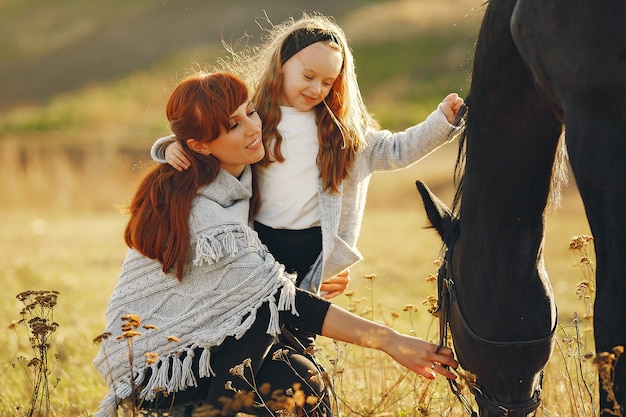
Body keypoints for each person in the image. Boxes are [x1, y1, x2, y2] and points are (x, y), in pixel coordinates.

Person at [94, 71, 458, 417]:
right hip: (162, 374)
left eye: (250, 112)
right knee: (275, 344)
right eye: (234, 126)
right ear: (200, 146)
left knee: (301, 380)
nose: (254, 127)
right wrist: (390, 340)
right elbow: (280, 302)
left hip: (208, 351)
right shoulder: (205, 215)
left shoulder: (233, 177)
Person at [152, 13, 465, 304]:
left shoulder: (344, 136)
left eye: (328, 82)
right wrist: (169, 147)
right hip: (259, 242)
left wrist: (442, 122)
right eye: (309, 75)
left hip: (313, 251)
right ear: (283, 64)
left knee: (301, 332)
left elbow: (397, 150)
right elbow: (211, 136)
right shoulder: (255, 118)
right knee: (256, 321)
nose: (317, 89)